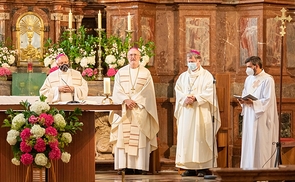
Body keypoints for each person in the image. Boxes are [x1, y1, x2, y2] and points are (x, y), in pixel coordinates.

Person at [109, 48, 159, 175]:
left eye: (135, 55)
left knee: (140, 138)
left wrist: (134, 100)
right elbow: (117, 90)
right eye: (131, 55)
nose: (133, 57)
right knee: (123, 137)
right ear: (127, 56)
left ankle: (139, 166)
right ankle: (124, 166)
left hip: (139, 109)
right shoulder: (121, 72)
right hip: (124, 110)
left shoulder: (146, 72)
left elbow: (148, 92)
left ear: (140, 56)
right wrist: (126, 100)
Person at [174, 50, 221, 177]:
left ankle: (202, 167)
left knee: (200, 137)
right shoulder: (183, 77)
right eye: (189, 62)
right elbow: (178, 90)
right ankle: (189, 167)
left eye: (193, 62)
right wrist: (185, 98)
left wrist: (195, 98)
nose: (191, 64)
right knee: (187, 138)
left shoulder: (207, 76)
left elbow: (209, 92)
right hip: (187, 112)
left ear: (199, 61)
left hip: (201, 112)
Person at [239, 56, 279, 169]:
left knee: (260, 144)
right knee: (249, 142)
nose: (247, 69)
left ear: (256, 66)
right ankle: (248, 170)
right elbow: (245, 92)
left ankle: (261, 172)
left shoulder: (268, 79)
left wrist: (254, 103)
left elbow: (268, 100)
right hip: (249, 116)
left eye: (249, 67)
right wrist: (242, 100)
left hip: (261, 116)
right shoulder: (249, 79)